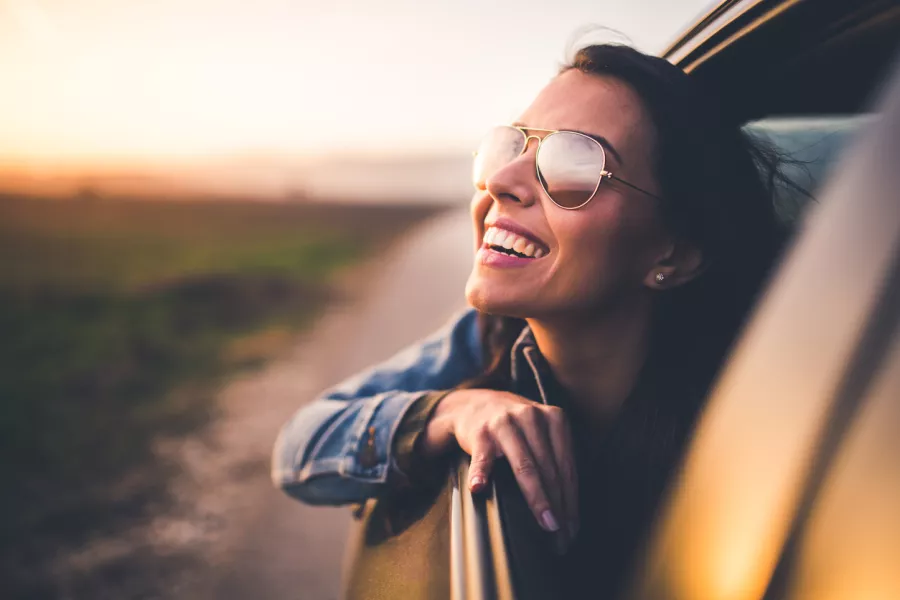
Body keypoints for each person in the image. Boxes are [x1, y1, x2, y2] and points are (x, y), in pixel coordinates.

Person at [272, 42, 788, 598]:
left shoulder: (753, 440)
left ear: (674, 253)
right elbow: (299, 448)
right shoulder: (486, 336)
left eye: (573, 165)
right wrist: (453, 409)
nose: (501, 182)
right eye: (508, 147)